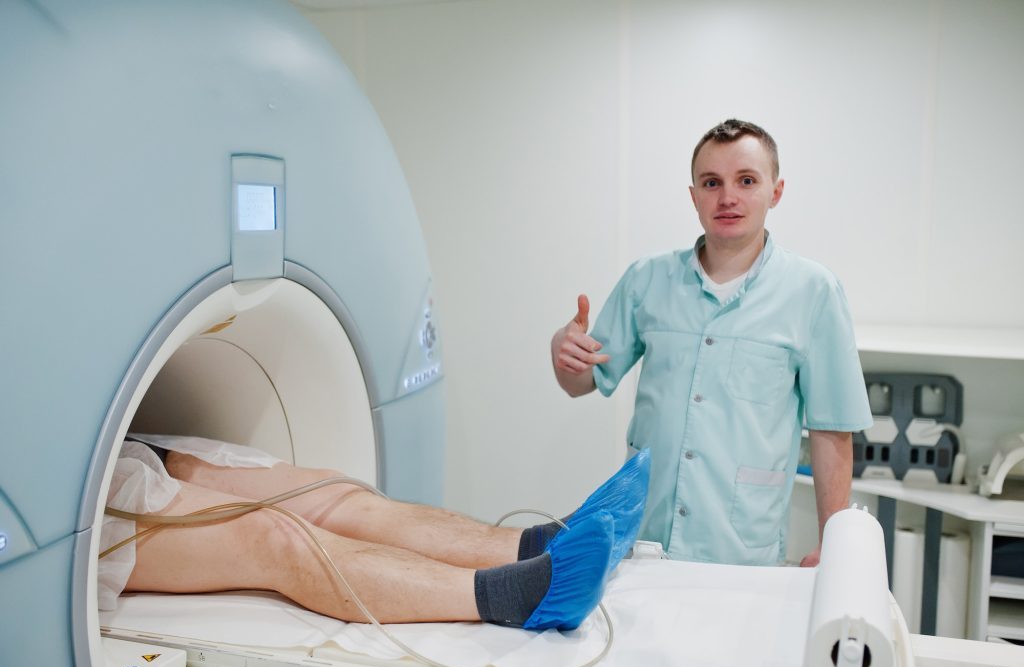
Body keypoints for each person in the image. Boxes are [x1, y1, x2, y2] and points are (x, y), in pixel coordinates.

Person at [550, 119, 872, 567]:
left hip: (741, 549)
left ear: (775, 191)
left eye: (746, 180)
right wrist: (562, 352)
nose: (727, 197)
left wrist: (832, 541)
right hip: (644, 540)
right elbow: (581, 382)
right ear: (693, 195)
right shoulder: (647, 280)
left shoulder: (812, 292)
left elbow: (832, 428)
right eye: (711, 183)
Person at [99, 434, 649, 631]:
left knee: (329, 494)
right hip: (69, 501)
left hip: (123, 445)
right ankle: (520, 597)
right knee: (272, 534)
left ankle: (536, 545)